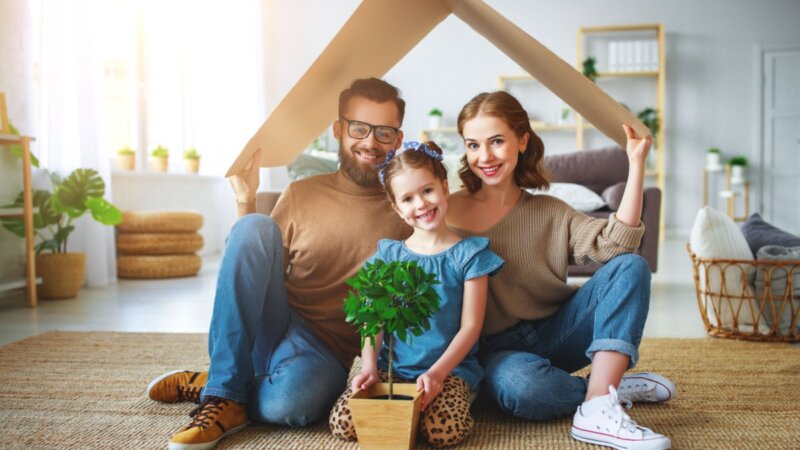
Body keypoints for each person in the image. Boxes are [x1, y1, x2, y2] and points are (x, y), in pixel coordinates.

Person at [146, 78, 414, 450]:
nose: (370, 142)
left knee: (292, 407)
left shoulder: (408, 207)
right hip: (277, 322)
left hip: (328, 351)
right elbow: (254, 262)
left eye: (384, 132)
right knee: (256, 224)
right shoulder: (301, 193)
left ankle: (223, 382)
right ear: (338, 130)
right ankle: (222, 394)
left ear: (398, 140)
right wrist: (247, 200)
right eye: (359, 128)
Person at [445, 91, 675, 450]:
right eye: (473, 145)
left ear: (522, 141)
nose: (484, 156)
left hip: (556, 331)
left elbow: (618, 244)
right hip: (494, 350)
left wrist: (636, 164)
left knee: (631, 265)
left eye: (496, 142)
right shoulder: (445, 212)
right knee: (524, 390)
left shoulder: (550, 211)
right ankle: (604, 389)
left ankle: (597, 408)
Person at [328, 141, 504, 448]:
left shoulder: (469, 255)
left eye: (427, 191)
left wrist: (437, 374)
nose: (421, 204)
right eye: (408, 198)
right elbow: (372, 321)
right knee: (344, 423)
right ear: (397, 208)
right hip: (390, 370)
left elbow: (471, 327)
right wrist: (369, 367)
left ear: (445, 188)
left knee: (442, 432)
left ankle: (464, 395)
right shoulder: (388, 255)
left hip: (448, 370)